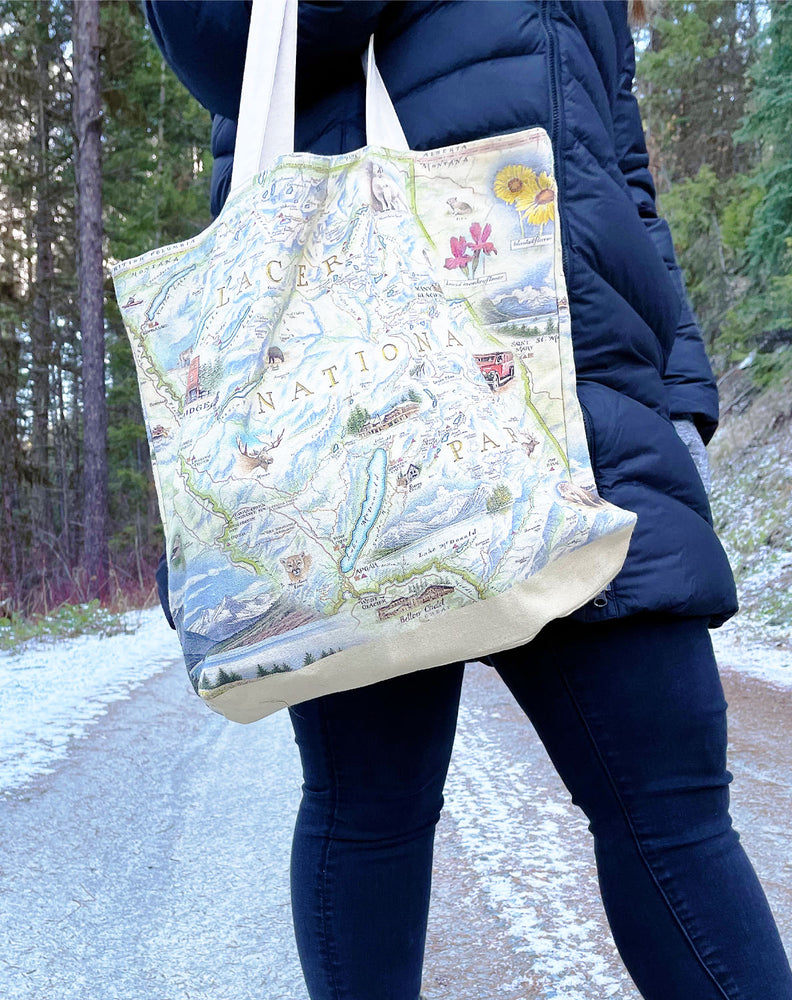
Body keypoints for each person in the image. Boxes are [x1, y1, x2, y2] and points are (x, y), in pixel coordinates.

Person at [143, 2, 792, 997]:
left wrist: (677, 393)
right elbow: (213, 37)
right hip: (358, 405)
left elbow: (618, 163)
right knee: (372, 809)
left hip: (591, 394)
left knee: (676, 806)